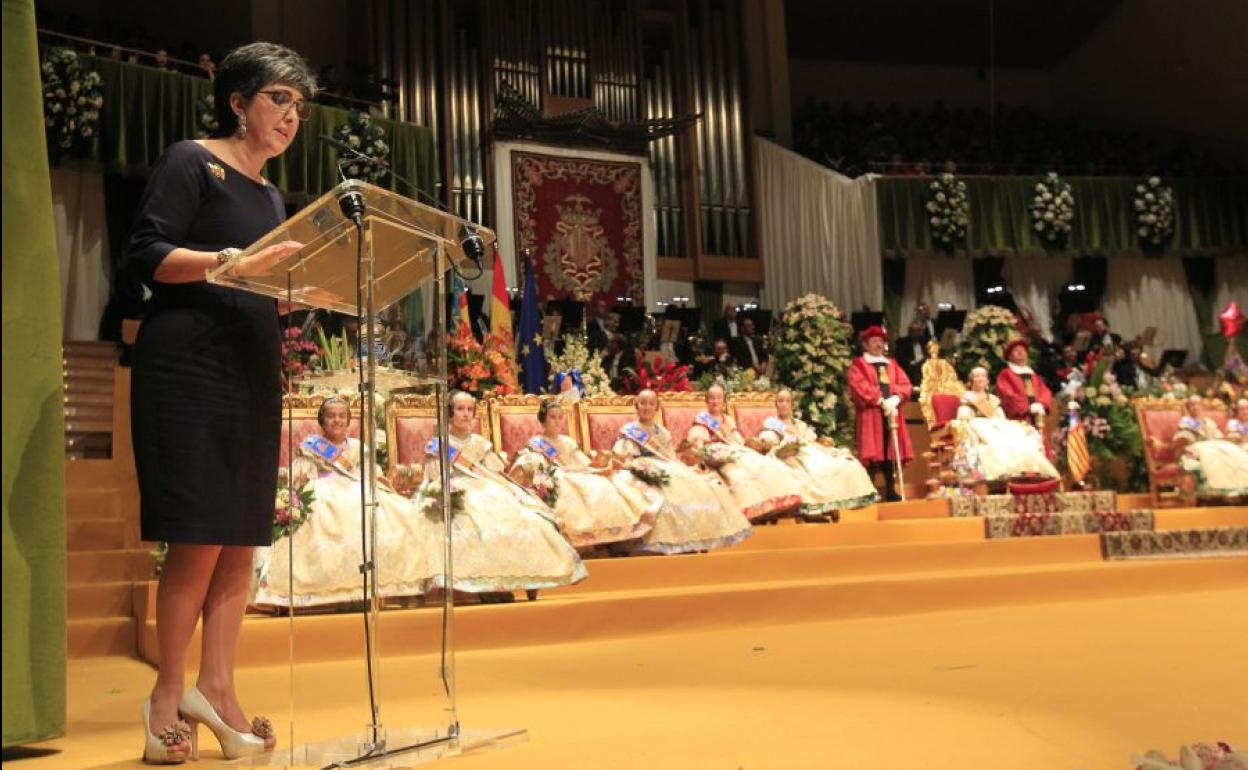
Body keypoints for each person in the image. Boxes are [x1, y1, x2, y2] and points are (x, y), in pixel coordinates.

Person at [123, 42, 316, 763]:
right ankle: (165, 699)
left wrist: (299, 294)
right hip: (188, 369)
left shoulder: (270, 197)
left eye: (299, 106)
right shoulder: (190, 161)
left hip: (250, 369)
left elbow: (261, 281)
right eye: (277, 99)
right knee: (199, 538)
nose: (290, 116)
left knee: (241, 540)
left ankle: (219, 688)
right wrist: (229, 264)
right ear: (237, 101)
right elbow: (147, 253)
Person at [252, 397, 430, 607]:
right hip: (324, 493)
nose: (336, 420)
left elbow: (372, 475)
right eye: (331, 416)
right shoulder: (311, 448)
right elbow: (299, 475)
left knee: (401, 512)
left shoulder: (358, 448)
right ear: (322, 420)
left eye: (341, 416)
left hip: (358, 490)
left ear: (348, 420)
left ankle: (397, 587)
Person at [414, 391, 587, 595]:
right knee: (477, 519)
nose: (466, 414)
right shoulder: (439, 444)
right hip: (457, 490)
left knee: (523, 515)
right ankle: (486, 583)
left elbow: (494, 472)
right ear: (450, 413)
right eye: (460, 409)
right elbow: (434, 477)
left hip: (487, 488)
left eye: (470, 409)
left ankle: (531, 574)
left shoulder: (479, 443)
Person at [612, 390, 751, 553]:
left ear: (657, 407)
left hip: (667, 466)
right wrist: (639, 467)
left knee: (696, 484)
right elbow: (624, 457)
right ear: (636, 406)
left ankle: (693, 537)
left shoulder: (662, 432)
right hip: (641, 466)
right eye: (643, 403)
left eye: (651, 404)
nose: (647, 407)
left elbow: (671, 457)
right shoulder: (630, 430)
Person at [509, 399, 658, 548]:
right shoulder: (537, 442)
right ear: (543, 420)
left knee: (602, 485)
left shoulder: (568, 442)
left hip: (575, 472)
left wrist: (595, 466)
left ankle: (609, 536)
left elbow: (582, 462)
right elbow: (540, 467)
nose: (557, 421)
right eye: (552, 417)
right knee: (571, 487)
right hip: (558, 476)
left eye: (560, 417)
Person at [684, 385, 806, 521]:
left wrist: (747, 445)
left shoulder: (728, 420)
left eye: (719, 398)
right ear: (706, 400)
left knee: (762, 464)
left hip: (735, 450)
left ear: (724, 401)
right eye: (712, 398)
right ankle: (749, 510)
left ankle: (772, 504)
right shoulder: (702, 419)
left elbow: (738, 440)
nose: (715, 401)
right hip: (717, 453)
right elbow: (697, 440)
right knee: (737, 474)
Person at [755, 389, 878, 513]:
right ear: (776, 404)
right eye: (780, 401)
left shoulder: (799, 424)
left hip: (810, 451)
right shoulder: (772, 422)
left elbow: (810, 442)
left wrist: (825, 449)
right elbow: (775, 439)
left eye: (787, 401)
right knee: (820, 471)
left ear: (792, 405)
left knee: (844, 464)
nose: (784, 404)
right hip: (792, 454)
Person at [955, 367, 1058, 483]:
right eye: (977, 376)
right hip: (979, 426)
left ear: (987, 380)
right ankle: (1001, 475)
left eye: (983, 375)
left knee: (1019, 438)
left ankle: (1026, 473)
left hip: (998, 426)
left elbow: (1001, 417)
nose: (980, 378)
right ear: (971, 380)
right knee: (994, 445)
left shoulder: (993, 400)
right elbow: (964, 417)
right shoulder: (968, 399)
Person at [847, 325, 914, 501]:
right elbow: (858, 386)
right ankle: (869, 491)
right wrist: (879, 400)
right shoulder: (859, 364)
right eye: (874, 341)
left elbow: (905, 383)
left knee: (890, 450)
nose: (878, 344)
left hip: (891, 412)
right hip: (871, 414)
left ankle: (891, 490)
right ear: (866, 345)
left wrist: (896, 399)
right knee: (872, 453)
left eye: (880, 341)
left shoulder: (892, 364)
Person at [996, 338, 1053, 433]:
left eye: (1023, 351)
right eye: (1016, 351)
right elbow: (1007, 395)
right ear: (1009, 356)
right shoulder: (1005, 375)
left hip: (1038, 417)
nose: (1020, 353)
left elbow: (1044, 391)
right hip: (1018, 419)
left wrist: (1041, 404)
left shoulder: (1034, 375)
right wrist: (1027, 407)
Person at [894, 321, 928, 387]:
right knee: (917, 368)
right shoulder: (903, 342)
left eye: (918, 330)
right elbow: (899, 358)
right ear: (909, 332)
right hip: (910, 366)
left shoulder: (924, 341)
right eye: (913, 331)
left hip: (925, 365)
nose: (916, 333)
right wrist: (912, 362)